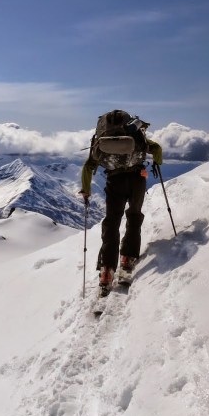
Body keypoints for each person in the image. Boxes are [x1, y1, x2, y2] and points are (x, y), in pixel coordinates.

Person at [80, 113, 163, 295]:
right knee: (134, 215)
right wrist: (157, 163)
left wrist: (86, 190)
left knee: (112, 222)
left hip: (114, 181)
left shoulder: (101, 139)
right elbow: (157, 149)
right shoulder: (135, 134)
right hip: (137, 179)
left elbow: (88, 166)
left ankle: (107, 271)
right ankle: (127, 259)